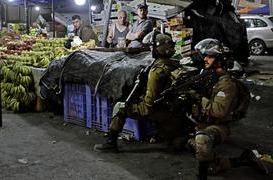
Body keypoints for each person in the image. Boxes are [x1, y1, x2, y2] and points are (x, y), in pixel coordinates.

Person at [189, 38, 270, 179]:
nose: (206, 59)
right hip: (203, 121)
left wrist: (196, 96)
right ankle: (239, 160)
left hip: (218, 125)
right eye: (205, 56)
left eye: (210, 56)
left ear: (219, 59)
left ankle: (201, 176)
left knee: (202, 140)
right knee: (183, 142)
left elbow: (218, 111)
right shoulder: (211, 76)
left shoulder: (227, 84)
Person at [94, 33, 187, 152]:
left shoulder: (156, 71)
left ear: (160, 49)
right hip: (173, 110)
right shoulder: (172, 64)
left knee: (120, 107)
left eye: (153, 47)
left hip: (160, 110)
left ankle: (111, 142)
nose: (151, 49)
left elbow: (149, 105)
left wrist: (133, 105)